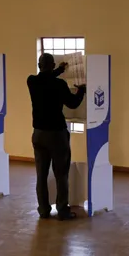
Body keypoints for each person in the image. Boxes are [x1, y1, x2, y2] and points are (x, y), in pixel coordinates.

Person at [27, 53, 85, 220]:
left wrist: (59, 70)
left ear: (39, 65)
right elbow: (72, 103)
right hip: (57, 134)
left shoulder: (32, 81)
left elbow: (45, 78)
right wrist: (81, 90)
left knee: (41, 175)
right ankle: (62, 210)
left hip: (38, 134)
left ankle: (43, 210)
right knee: (61, 174)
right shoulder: (59, 84)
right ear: (52, 65)